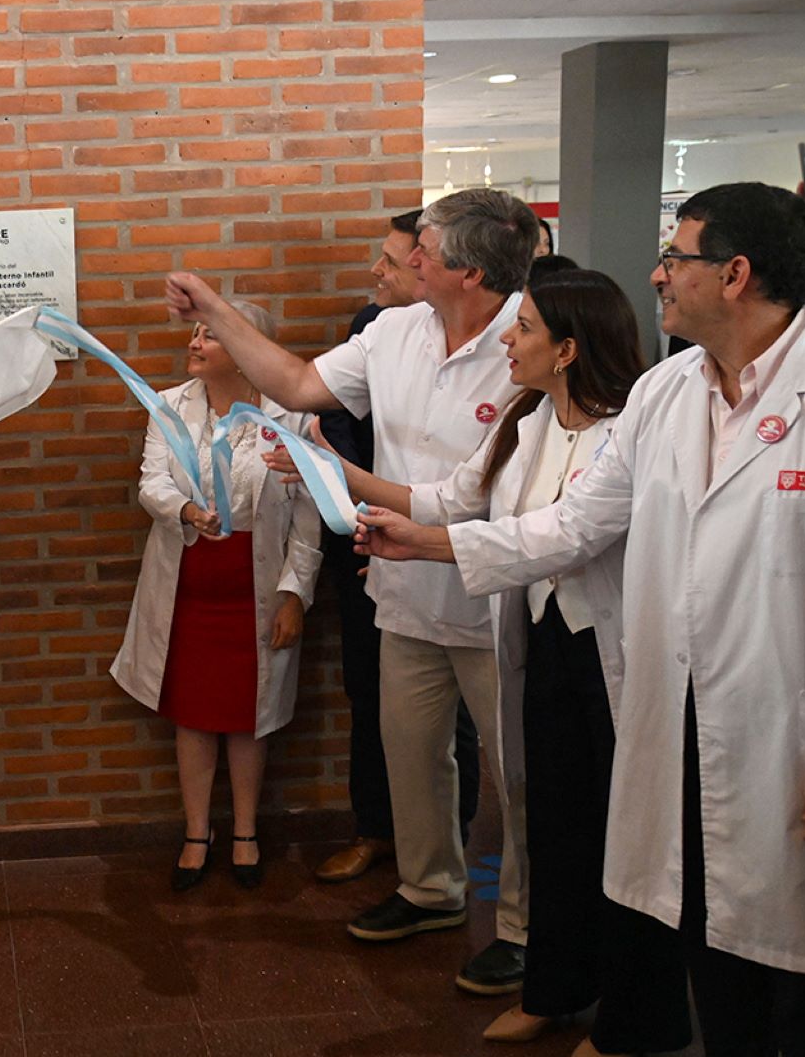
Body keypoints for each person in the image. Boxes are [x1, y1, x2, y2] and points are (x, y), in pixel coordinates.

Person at [358, 182, 805, 1057]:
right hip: (683, 716)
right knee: (707, 927)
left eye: (675, 256)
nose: (657, 274)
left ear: (733, 274)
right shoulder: (665, 393)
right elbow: (576, 525)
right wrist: (428, 539)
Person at [280, 271, 691, 1057]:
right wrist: (339, 478)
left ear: (568, 350)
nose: (507, 338)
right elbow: (451, 498)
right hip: (543, 648)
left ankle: (631, 1022)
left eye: (526, 328)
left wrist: (423, 545)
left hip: (613, 660)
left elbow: (565, 535)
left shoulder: (628, 435)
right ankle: (551, 992)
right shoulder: (525, 420)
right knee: (555, 826)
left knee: (628, 845)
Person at [167, 187, 538, 998]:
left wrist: (330, 473)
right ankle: (430, 889)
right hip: (402, 587)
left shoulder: (530, 341)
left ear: (468, 271)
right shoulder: (394, 330)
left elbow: (475, 498)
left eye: (425, 249)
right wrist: (219, 312)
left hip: (495, 596)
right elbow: (299, 385)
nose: (408, 259)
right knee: (413, 755)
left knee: (517, 777)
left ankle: (522, 925)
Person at [111, 302, 321, 890]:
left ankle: (246, 831)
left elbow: (308, 514)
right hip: (188, 582)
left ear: (247, 344)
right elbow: (151, 479)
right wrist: (183, 509)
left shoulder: (291, 414)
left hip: (258, 584)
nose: (195, 343)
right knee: (195, 715)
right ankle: (196, 832)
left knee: (248, 715)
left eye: (211, 334)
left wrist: (294, 595)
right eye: (194, 332)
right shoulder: (169, 405)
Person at [314, 208, 483, 885]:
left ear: (434, 268)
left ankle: (458, 839)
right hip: (366, 543)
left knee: (462, 719)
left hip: (460, 553)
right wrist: (355, 512)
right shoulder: (372, 330)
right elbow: (330, 418)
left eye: (394, 258)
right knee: (377, 698)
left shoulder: (503, 343)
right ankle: (380, 833)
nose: (378, 271)